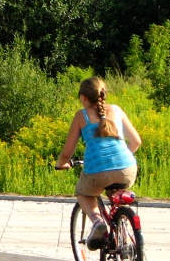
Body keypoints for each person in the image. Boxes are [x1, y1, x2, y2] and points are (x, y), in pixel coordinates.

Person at [55, 76, 142, 248]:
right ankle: (122, 229)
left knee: (83, 193)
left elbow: (66, 153)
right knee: (115, 192)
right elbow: (136, 142)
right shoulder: (117, 110)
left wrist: (60, 164)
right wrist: (121, 158)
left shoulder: (81, 116)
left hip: (97, 171)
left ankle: (97, 222)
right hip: (127, 168)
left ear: (83, 97)